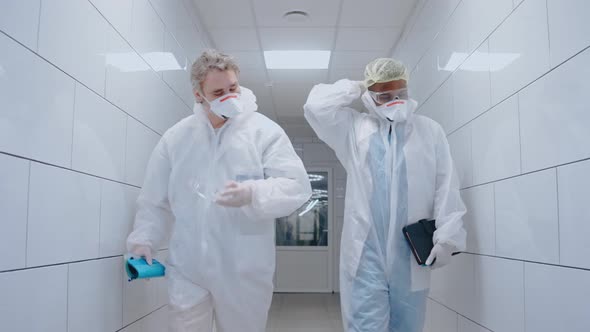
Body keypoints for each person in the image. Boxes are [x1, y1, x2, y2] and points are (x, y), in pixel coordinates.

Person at [127, 49, 312, 332]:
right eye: (218, 92)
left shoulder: (264, 131)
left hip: (244, 270)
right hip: (188, 268)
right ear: (198, 94)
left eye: (233, 88)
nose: (228, 97)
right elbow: (155, 199)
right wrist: (143, 239)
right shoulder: (177, 138)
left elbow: (297, 186)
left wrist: (253, 193)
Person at [304, 58, 466, 332]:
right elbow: (315, 106)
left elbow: (446, 184)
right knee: (365, 326)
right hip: (366, 255)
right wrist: (356, 87)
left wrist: (448, 235)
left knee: (409, 327)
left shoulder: (429, 131)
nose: (395, 101)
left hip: (410, 255)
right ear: (371, 97)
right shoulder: (355, 130)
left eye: (400, 94)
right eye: (385, 96)